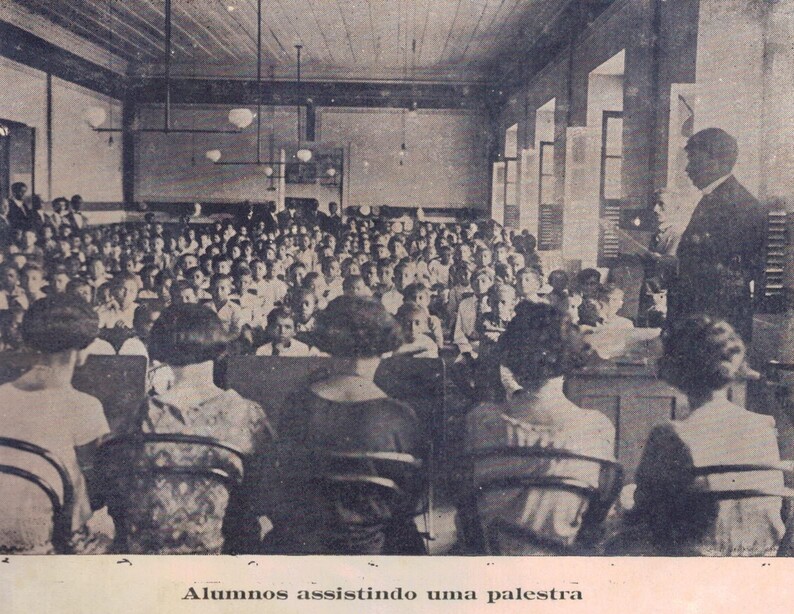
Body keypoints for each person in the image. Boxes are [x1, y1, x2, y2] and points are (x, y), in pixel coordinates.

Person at [610, 315, 788, 556]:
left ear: (674, 368)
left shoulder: (672, 434)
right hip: (758, 560)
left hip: (692, 564)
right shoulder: (763, 426)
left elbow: (647, 517)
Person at [115, 304, 275, 554]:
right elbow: (265, 496)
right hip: (219, 559)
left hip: (145, 559)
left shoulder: (138, 415)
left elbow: (117, 495)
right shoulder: (246, 415)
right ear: (220, 347)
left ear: (160, 349)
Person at [270, 296, 423, 554]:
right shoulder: (401, 417)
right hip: (372, 553)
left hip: (302, 550)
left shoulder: (297, 404)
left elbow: (281, 491)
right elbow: (408, 503)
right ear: (385, 347)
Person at [462, 303, 614, 554]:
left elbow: (469, 506)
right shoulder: (597, 426)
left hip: (496, 558)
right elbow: (595, 519)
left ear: (510, 357)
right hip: (565, 563)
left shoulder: (481, 420)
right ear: (571, 356)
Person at [0, 295, 114, 553]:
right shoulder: (84, 407)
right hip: (49, 543)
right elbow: (101, 486)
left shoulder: (2, 395)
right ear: (82, 350)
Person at [668, 128, 767, 342]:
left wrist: (675, 267)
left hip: (716, 327)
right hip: (707, 322)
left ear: (716, 160)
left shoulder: (739, 204)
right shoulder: (716, 198)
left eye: (694, 160)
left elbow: (731, 272)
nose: (687, 169)